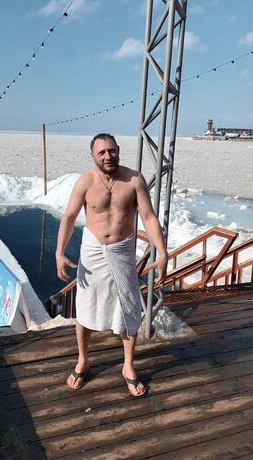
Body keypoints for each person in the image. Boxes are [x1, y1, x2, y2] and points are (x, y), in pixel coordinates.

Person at [55, 133, 168, 397]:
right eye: (102, 152)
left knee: (128, 307)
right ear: (93, 155)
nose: (108, 156)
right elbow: (69, 217)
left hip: (122, 251)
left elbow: (148, 216)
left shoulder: (134, 180)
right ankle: (83, 360)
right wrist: (59, 252)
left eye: (112, 151)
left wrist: (162, 251)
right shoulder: (85, 182)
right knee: (85, 307)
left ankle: (128, 366)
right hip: (92, 251)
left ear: (118, 150)